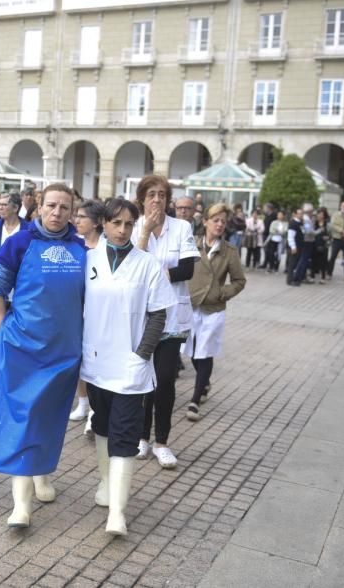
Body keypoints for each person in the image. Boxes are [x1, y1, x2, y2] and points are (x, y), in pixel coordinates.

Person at [0, 183, 86, 528]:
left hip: (64, 352)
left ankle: (42, 474)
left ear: (72, 211)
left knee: (51, 417)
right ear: (39, 208)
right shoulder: (19, 242)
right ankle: (21, 505)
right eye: (51, 205)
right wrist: (5, 329)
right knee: (23, 418)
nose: (57, 212)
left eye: (65, 207)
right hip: (23, 349)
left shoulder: (82, 248)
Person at [82, 198, 176, 535]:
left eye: (128, 224)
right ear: (103, 223)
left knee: (124, 434)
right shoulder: (88, 259)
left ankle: (117, 513)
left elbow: (159, 313)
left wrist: (142, 353)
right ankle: (106, 485)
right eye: (116, 223)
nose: (122, 230)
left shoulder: (147, 264)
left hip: (130, 365)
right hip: (94, 361)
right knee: (103, 426)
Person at [132, 175, 199, 469]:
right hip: (142, 318)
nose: (157, 199)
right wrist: (145, 232)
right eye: (151, 195)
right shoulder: (133, 227)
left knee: (165, 383)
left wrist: (154, 274)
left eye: (161, 194)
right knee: (142, 382)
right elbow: (131, 267)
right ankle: (141, 438)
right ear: (142, 200)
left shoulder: (182, 227)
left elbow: (186, 269)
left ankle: (162, 442)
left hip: (172, 317)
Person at [184, 203, 247, 422]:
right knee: (191, 351)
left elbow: (240, 281)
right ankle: (205, 382)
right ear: (206, 222)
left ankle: (194, 400)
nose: (220, 225)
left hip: (213, 308)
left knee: (205, 351)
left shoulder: (229, 251)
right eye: (216, 220)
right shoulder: (192, 243)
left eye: (223, 221)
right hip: (191, 306)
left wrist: (222, 292)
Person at [69, 199, 106, 425]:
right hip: (74, 311)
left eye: (82, 217)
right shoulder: (74, 245)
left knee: (95, 360)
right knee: (77, 359)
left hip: (98, 314)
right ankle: (82, 402)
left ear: (96, 222)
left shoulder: (105, 248)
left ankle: (95, 407)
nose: (76, 220)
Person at [290, 204, 316, 286]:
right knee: (303, 260)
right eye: (311, 211)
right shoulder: (306, 219)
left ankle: (300, 276)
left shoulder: (307, 218)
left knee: (304, 260)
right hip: (306, 241)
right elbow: (308, 231)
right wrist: (318, 232)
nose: (312, 213)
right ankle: (298, 277)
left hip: (306, 241)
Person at [311, 207, 331, 283]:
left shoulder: (327, 224)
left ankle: (323, 278)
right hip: (314, 243)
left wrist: (328, 238)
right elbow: (311, 233)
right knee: (314, 260)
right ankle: (312, 276)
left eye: (322, 214)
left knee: (323, 261)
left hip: (324, 245)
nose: (320, 216)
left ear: (324, 215)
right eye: (319, 214)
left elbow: (330, 235)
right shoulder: (314, 223)